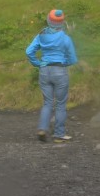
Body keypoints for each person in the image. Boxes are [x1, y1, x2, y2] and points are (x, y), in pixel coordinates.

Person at [24, 9, 77, 143]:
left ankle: (42, 128)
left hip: (44, 71)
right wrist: (65, 62)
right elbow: (73, 59)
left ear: (48, 20)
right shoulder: (66, 38)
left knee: (47, 103)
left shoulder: (41, 35)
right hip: (60, 71)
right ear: (62, 23)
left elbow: (29, 51)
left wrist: (37, 63)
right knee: (60, 105)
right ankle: (59, 135)